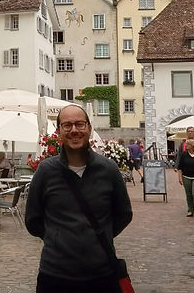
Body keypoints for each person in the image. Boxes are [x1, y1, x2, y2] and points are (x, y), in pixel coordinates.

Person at [25, 104, 133, 292]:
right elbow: (33, 220)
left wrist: (96, 236)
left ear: (89, 128)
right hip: (56, 275)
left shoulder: (108, 169)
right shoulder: (46, 171)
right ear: (59, 131)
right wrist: (58, 238)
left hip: (102, 274)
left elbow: (124, 214)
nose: (74, 130)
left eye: (79, 124)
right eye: (67, 125)